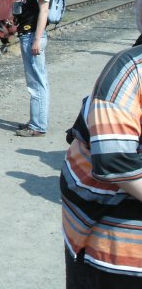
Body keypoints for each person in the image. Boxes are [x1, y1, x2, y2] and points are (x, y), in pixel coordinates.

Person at [60, 46, 142, 287]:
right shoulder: (129, 69)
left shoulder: (130, 68)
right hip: (110, 244)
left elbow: (115, 163)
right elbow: (116, 163)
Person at [14, 0, 52, 137]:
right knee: (35, 80)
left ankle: (37, 126)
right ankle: (36, 121)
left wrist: (37, 39)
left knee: (37, 82)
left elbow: (44, 9)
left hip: (32, 37)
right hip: (29, 35)